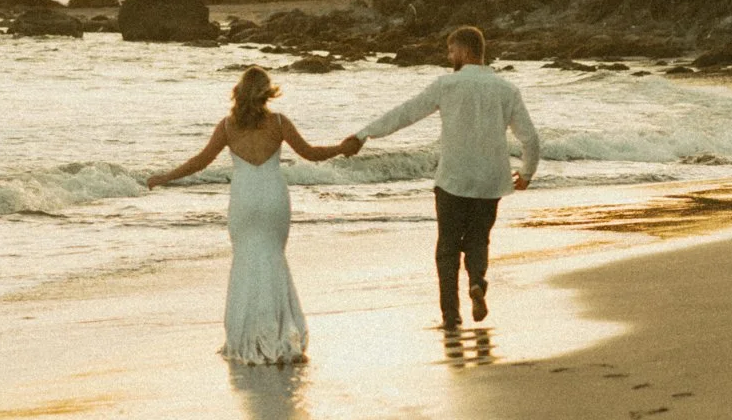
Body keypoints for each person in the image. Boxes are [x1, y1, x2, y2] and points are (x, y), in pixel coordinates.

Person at [146, 67, 354, 364]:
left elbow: (200, 161)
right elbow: (311, 153)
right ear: (267, 92)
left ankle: (247, 337)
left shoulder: (228, 127)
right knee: (272, 258)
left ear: (239, 91)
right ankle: (282, 335)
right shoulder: (279, 123)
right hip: (272, 196)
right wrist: (342, 148)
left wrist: (165, 176)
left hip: (245, 198)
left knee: (246, 261)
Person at [342, 25, 541, 329]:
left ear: (464, 51)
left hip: (453, 179)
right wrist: (526, 173)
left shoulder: (446, 86)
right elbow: (531, 139)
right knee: (478, 239)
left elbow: (405, 113)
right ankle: (476, 281)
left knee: (447, 246)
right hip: (490, 181)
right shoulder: (506, 90)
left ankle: (451, 315)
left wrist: (363, 134)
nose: (449, 57)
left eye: (451, 51)